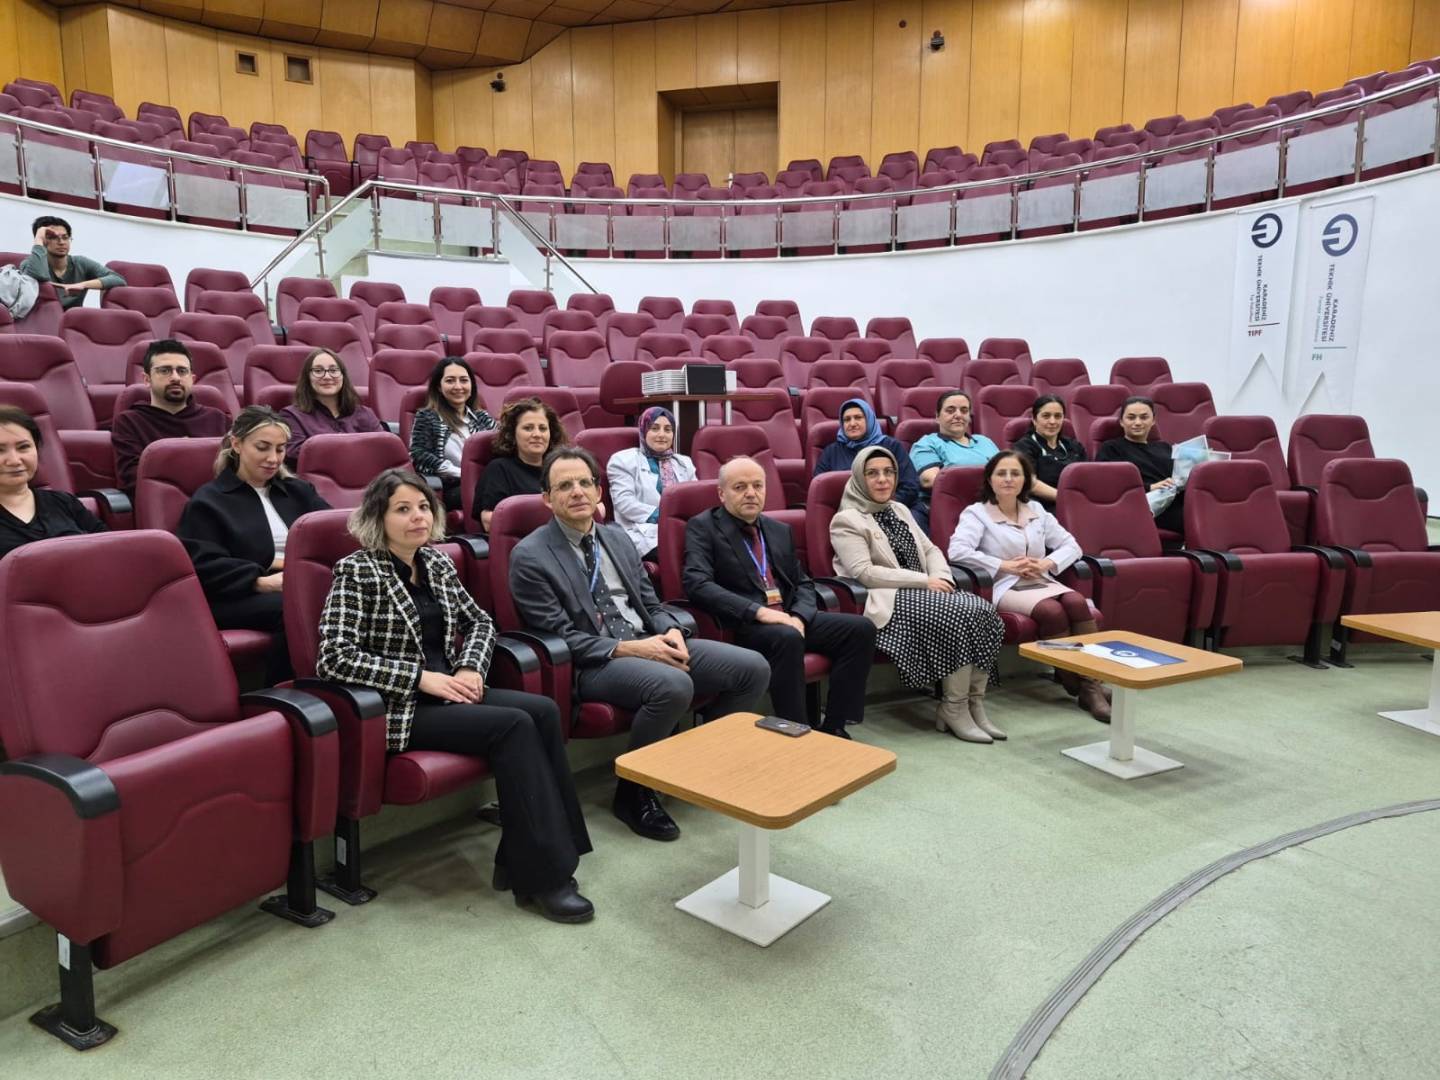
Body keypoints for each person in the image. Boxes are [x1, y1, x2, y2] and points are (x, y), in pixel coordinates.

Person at [318, 468, 593, 924]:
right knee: (514, 725)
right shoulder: (356, 571)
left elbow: (481, 622)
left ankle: (530, 855)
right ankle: (544, 877)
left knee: (544, 711)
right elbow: (334, 657)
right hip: (402, 706)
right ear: (377, 518)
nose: (418, 517)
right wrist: (420, 678)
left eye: (423, 507)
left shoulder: (437, 563)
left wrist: (470, 667)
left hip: (453, 688)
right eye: (402, 509)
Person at [509, 447, 770, 842]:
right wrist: (634, 650)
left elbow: (651, 604)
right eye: (564, 486)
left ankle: (701, 764)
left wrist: (672, 631)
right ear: (547, 498)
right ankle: (634, 793)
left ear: (599, 492)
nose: (577, 492)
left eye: (584, 483)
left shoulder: (617, 537)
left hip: (649, 641)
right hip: (595, 662)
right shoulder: (530, 555)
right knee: (673, 685)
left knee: (753, 668)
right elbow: (562, 637)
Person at [682, 456, 876, 738]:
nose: (751, 493)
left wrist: (799, 617)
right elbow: (697, 584)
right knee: (787, 638)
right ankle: (796, 731)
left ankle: (835, 726)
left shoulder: (778, 529)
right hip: (743, 624)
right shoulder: (703, 527)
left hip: (787, 618)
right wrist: (759, 612)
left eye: (757, 485)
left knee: (860, 629)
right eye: (740, 487)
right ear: (722, 494)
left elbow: (803, 582)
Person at [830, 446, 1004, 743]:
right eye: (873, 473)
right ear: (859, 477)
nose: (883, 479)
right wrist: (925, 581)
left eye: (889, 472)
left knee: (984, 610)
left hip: (927, 590)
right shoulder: (846, 520)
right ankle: (954, 707)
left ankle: (975, 703)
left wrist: (942, 576)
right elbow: (865, 573)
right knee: (958, 614)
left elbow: (931, 549)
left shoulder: (899, 509)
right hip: (887, 598)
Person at [948, 451, 1110, 721]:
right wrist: (1003, 565)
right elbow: (958, 551)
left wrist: (1047, 563)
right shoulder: (977, 513)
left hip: (1041, 579)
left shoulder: (1037, 510)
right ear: (990, 479)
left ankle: (1089, 683)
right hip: (1004, 584)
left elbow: (1072, 545)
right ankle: (1084, 686)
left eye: (1015, 474)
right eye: (1001, 473)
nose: (1008, 479)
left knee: (1076, 603)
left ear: (1025, 480)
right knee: (1052, 611)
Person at [176, 407, 329, 682]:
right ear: (236, 444)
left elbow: (330, 533)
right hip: (238, 594)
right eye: (262, 447)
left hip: (298, 582)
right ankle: (290, 688)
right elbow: (203, 565)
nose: (273, 459)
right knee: (297, 606)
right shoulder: (208, 501)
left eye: (280, 449)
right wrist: (260, 580)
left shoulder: (299, 491)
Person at [111, 339, 231, 496]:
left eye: (182, 371)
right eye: (165, 371)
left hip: (221, 502)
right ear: (147, 379)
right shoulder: (130, 422)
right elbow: (133, 480)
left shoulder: (219, 419)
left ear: (192, 379)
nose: (175, 377)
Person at [0, 406, 105, 560]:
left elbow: (108, 550)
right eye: (0, 450)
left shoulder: (64, 502)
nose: (15, 460)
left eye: (23, 447)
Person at [607, 406, 697, 560]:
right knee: (685, 552)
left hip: (682, 528)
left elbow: (694, 500)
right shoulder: (622, 461)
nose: (662, 435)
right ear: (643, 430)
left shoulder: (684, 462)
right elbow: (625, 504)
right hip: (643, 532)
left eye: (668, 429)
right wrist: (666, 517)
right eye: (654, 428)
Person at [408, 356, 495, 511]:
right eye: (450, 381)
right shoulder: (427, 417)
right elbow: (419, 454)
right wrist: (464, 474)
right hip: (453, 487)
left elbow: (501, 447)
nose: (458, 386)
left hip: (486, 482)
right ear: (439, 386)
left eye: (464, 380)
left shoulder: (482, 417)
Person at [909, 390, 1000, 532]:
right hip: (947, 509)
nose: (958, 415)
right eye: (950, 410)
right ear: (937, 416)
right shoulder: (927, 443)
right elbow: (931, 480)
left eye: (964, 410)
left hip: (991, 506)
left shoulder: (985, 441)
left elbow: (1005, 472)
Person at [279, 347, 384, 467]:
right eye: (318, 371)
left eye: (333, 370)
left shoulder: (366, 414)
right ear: (307, 378)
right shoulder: (292, 416)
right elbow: (296, 455)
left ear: (343, 376)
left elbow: (382, 450)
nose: (327, 376)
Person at [474, 397, 567, 533]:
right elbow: (489, 521)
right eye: (528, 428)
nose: (537, 434)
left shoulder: (561, 468)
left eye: (543, 428)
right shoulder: (499, 469)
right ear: (513, 433)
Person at [813, 397, 921, 511]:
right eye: (847, 419)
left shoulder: (892, 446)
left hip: (892, 509)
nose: (852, 423)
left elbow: (910, 485)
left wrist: (883, 508)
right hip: (849, 511)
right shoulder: (831, 452)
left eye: (858, 417)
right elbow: (820, 490)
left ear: (869, 419)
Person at [1096, 396, 1183, 535]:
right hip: (1143, 506)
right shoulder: (1111, 448)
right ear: (1121, 421)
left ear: (1153, 421)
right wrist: (1150, 487)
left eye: (1144, 417)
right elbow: (1108, 484)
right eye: (1131, 418)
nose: (1137, 423)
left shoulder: (1165, 447)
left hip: (1176, 501)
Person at [20, 216, 125, 310]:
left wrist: (83, 285)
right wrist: (39, 240)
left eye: (65, 237)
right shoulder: (29, 264)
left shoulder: (80, 263)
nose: (61, 242)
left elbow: (118, 279)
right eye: (53, 237)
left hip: (73, 320)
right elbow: (39, 276)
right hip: (43, 319)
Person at [1012, 394, 1086, 507]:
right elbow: (1030, 483)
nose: (1052, 421)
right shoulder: (1024, 447)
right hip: (1041, 507)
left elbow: (1086, 477)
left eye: (1058, 416)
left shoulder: (1074, 446)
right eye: (1046, 416)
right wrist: (1065, 498)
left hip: (1077, 503)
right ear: (1034, 419)